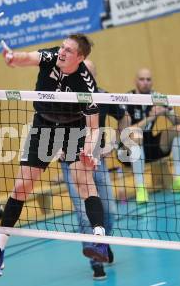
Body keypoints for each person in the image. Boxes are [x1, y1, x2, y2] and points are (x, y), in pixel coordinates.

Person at [0, 34, 110, 276]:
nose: (62, 52)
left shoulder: (86, 84)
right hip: (43, 126)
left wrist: (88, 149)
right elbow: (27, 58)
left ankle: (100, 239)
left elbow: (94, 128)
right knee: (22, 186)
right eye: (62, 47)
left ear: (80, 57)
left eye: (69, 50)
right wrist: (13, 57)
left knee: (83, 181)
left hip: (74, 128)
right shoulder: (53, 56)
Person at [60, 60, 127, 279]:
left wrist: (117, 142)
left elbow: (124, 116)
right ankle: (96, 260)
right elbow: (47, 123)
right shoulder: (63, 96)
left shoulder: (103, 95)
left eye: (87, 71)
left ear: (93, 75)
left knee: (109, 212)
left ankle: (102, 243)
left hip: (97, 161)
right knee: (84, 215)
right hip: (72, 163)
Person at [123, 68, 180, 203]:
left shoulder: (158, 97)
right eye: (142, 79)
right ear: (135, 81)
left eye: (148, 79)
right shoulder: (128, 99)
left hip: (150, 145)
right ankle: (141, 188)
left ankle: (178, 180)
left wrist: (166, 112)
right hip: (128, 149)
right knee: (135, 136)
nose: (145, 83)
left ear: (152, 82)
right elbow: (126, 131)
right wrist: (150, 118)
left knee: (179, 129)